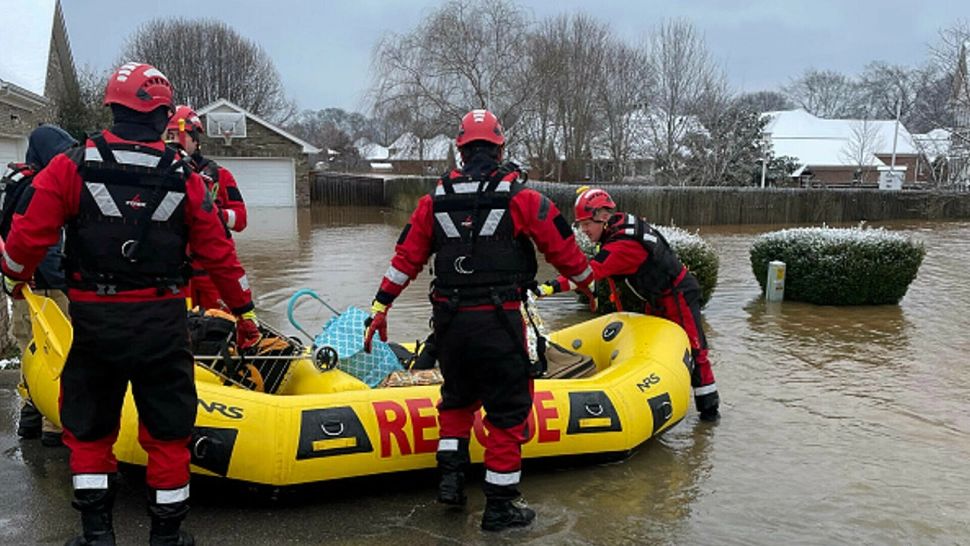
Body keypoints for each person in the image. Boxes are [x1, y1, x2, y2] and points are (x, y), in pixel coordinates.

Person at [1, 62, 262, 546]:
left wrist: (16, 280)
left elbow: (25, 239)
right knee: (167, 433)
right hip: (163, 322)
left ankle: (97, 534)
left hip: (97, 321)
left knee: (90, 430)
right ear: (165, 115)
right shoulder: (187, 177)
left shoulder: (71, 165)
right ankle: (167, 537)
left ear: (113, 108)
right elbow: (221, 256)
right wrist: (245, 316)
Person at [363, 109, 594, 532]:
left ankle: (451, 482)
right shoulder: (523, 198)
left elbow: (404, 261)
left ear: (460, 149)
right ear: (500, 147)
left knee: (456, 399)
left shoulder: (432, 202)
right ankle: (500, 507)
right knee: (507, 412)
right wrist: (588, 284)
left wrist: (380, 308)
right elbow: (564, 251)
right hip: (500, 319)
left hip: (449, 322)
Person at [538, 187, 720, 421]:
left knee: (696, 350)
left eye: (586, 224)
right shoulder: (618, 226)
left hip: (677, 294)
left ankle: (709, 412)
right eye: (580, 224)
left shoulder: (624, 244)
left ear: (603, 218)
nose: (583, 230)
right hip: (656, 296)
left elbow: (590, 272)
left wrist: (548, 287)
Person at [1, 124, 76, 446]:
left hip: (20, 285)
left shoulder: (14, 184)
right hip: (47, 286)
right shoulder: (42, 188)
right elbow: (41, 244)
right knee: (58, 354)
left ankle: (30, 418)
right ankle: (52, 425)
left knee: (30, 350)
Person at [164, 105, 248, 310]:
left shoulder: (220, 175)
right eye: (168, 135)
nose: (173, 142)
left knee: (219, 327)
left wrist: (213, 214)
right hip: (173, 276)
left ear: (195, 138)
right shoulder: (160, 175)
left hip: (211, 275)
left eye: (177, 135)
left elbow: (241, 220)